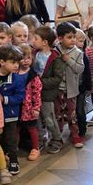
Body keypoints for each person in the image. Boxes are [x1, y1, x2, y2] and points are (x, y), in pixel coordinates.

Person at [0, 45, 26, 175]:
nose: (16, 65)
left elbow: (19, 97)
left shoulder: (17, 79)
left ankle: (13, 160)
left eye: (17, 62)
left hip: (10, 114)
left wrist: (4, 99)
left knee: (10, 139)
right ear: (2, 62)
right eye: (13, 62)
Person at [33, 26, 65, 154]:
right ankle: (40, 140)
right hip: (35, 94)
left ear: (45, 42)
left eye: (36, 39)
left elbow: (57, 78)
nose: (33, 41)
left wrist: (39, 82)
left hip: (47, 94)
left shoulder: (55, 58)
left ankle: (57, 139)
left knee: (49, 118)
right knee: (37, 119)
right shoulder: (35, 54)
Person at [54, 23, 85, 148]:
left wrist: (68, 60)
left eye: (74, 37)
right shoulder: (55, 50)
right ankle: (57, 136)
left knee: (71, 114)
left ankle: (75, 135)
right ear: (60, 38)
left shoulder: (78, 53)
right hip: (58, 89)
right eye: (69, 37)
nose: (73, 40)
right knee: (58, 114)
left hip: (71, 89)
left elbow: (80, 69)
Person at [17, 44, 42, 161]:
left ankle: (35, 148)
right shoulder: (14, 73)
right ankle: (13, 147)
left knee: (32, 128)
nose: (26, 61)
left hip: (29, 108)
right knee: (16, 128)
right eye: (22, 58)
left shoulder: (33, 76)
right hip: (16, 107)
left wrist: (36, 108)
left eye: (28, 58)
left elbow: (36, 93)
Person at [75, 29, 92, 138]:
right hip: (71, 87)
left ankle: (82, 129)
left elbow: (87, 72)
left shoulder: (83, 56)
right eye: (80, 41)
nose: (81, 44)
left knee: (80, 110)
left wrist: (88, 87)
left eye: (83, 42)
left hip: (81, 88)